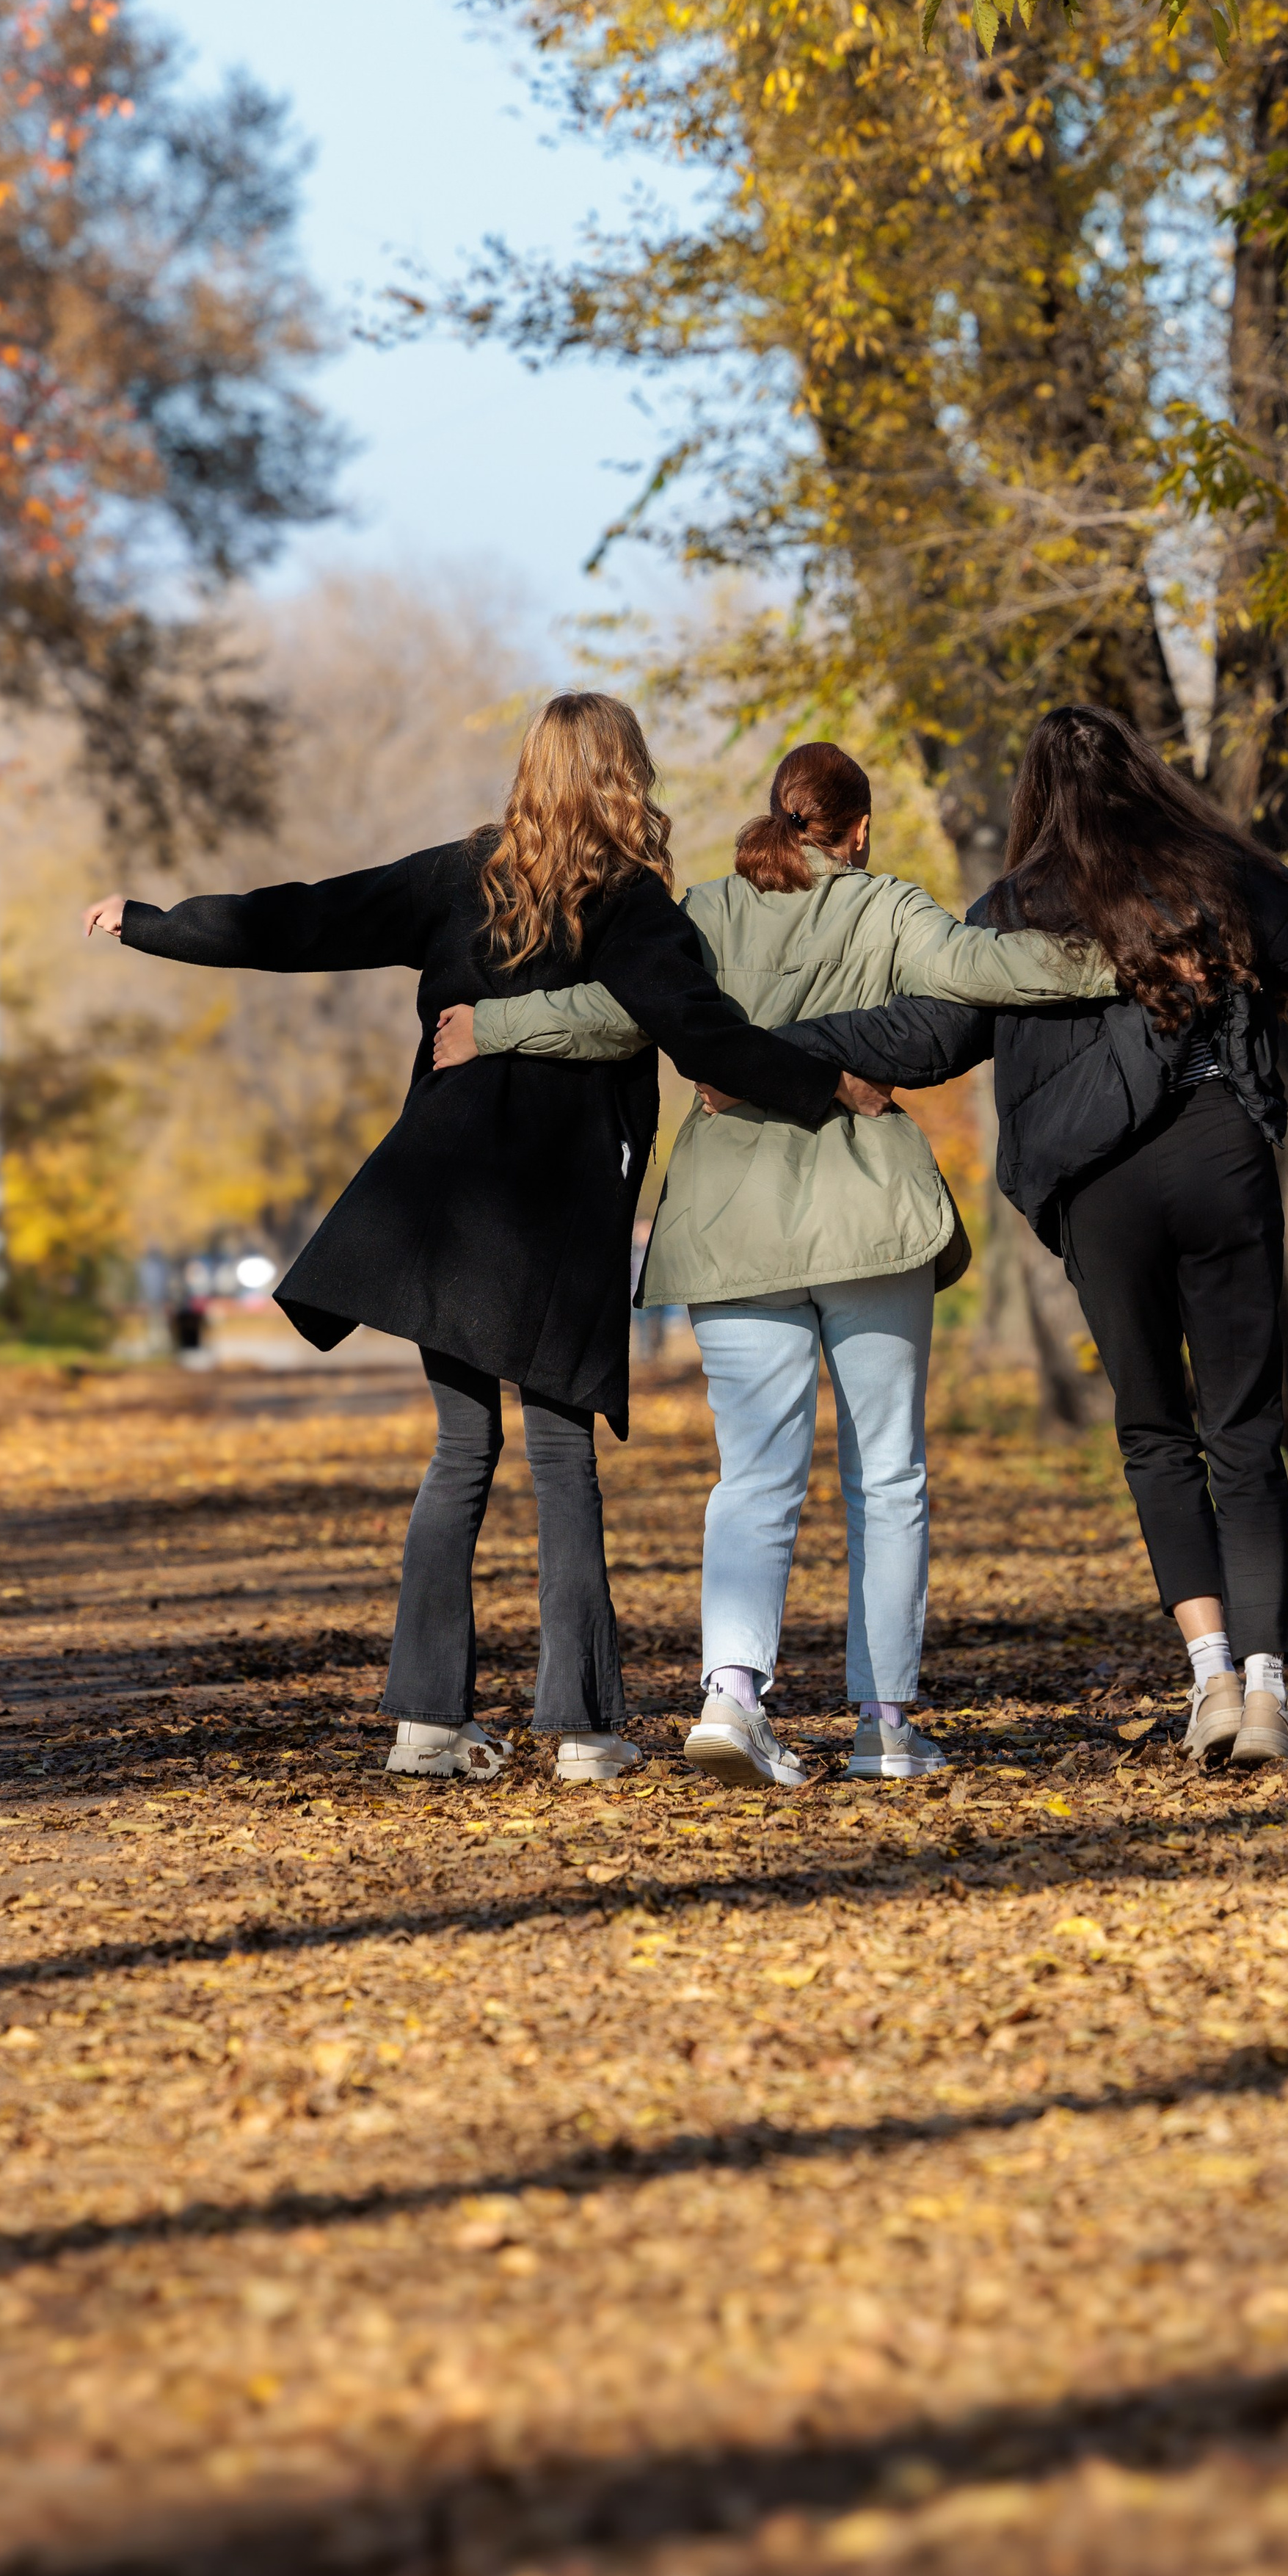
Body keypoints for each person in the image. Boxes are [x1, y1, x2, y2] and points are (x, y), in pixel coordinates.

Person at [762, 703, 1288, 1770]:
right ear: (1146, 778)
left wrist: (768, 1048)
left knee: (1155, 1430)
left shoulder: (1010, 908)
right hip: (1220, 1161)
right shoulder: (1219, 876)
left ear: (1035, 801)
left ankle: (1212, 1681)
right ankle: (1273, 1692)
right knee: (1245, 1426)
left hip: (1102, 1194)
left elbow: (929, 1032)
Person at [82, 691, 873, 1787]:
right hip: (555, 1212)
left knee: (460, 1455)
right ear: (626, 776)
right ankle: (589, 1733)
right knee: (561, 1462)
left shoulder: (465, 876)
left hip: (438, 1208)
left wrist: (155, 921)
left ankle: (425, 1725)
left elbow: (306, 918)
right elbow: (703, 1032)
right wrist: (823, 1083)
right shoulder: (637, 904)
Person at [437, 739, 1118, 1790]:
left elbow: (612, 1014)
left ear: (776, 815)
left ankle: (733, 1697)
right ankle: (885, 1724)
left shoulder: (701, 913)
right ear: (855, 829)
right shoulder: (886, 905)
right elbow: (988, 969)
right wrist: (1118, 962)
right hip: (866, 1216)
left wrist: (497, 1024)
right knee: (887, 1472)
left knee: (753, 1474)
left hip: (730, 1225)